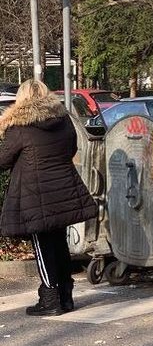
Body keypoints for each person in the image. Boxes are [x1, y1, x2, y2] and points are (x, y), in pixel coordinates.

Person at [0, 79, 97, 316]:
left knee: (42, 247)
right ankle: (66, 297)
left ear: (21, 98)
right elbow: (72, 149)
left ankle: (50, 299)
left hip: (34, 194)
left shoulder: (19, 126)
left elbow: (3, 160)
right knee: (59, 243)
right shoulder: (63, 120)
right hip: (62, 191)